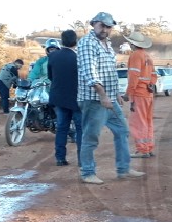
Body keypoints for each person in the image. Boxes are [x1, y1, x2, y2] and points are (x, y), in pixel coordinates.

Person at [76, 12, 145, 184]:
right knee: (91, 137)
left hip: (109, 98)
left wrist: (115, 94)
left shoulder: (106, 44)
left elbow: (110, 73)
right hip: (94, 99)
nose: (105, 29)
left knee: (122, 131)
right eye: (102, 25)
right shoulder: (87, 43)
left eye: (109, 26)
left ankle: (124, 168)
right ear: (93, 24)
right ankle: (87, 173)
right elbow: (89, 73)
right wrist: (103, 95)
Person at [47, 29, 83, 167]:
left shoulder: (53, 56)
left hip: (58, 97)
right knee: (80, 129)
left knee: (62, 128)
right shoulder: (78, 57)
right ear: (75, 41)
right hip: (76, 98)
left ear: (62, 41)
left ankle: (60, 158)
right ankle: (82, 159)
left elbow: (51, 76)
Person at [124, 31, 157, 159]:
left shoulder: (135, 56)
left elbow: (134, 76)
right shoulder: (147, 56)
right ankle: (148, 147)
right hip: (148, 94)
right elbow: (154, 75)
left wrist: (128, 93)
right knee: (148, 121)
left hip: (139, 93)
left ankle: (143, 150)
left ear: (132, 43)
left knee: (138, 122)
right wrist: (151, 84)